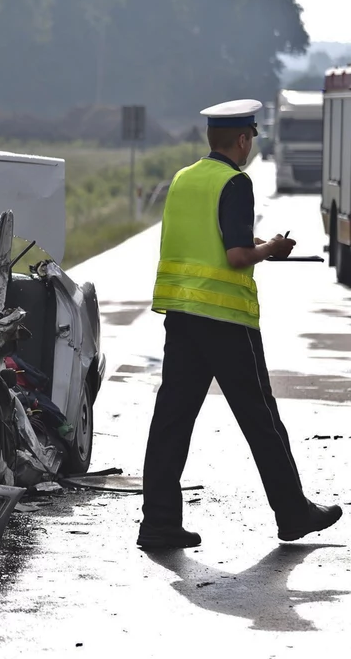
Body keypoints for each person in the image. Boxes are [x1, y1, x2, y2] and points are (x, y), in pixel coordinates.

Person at [137, 99, 342, 549]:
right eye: (251, 138)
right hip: (225, 318)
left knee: (171, 419)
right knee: (261, 418)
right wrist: (270, 249)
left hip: (182, 315)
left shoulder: (184, 179)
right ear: (244, 139)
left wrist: (259, 243)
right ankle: (292, 514)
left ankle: (158, 523)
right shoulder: (236, 182)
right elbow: (234, 256)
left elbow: (211, 237)